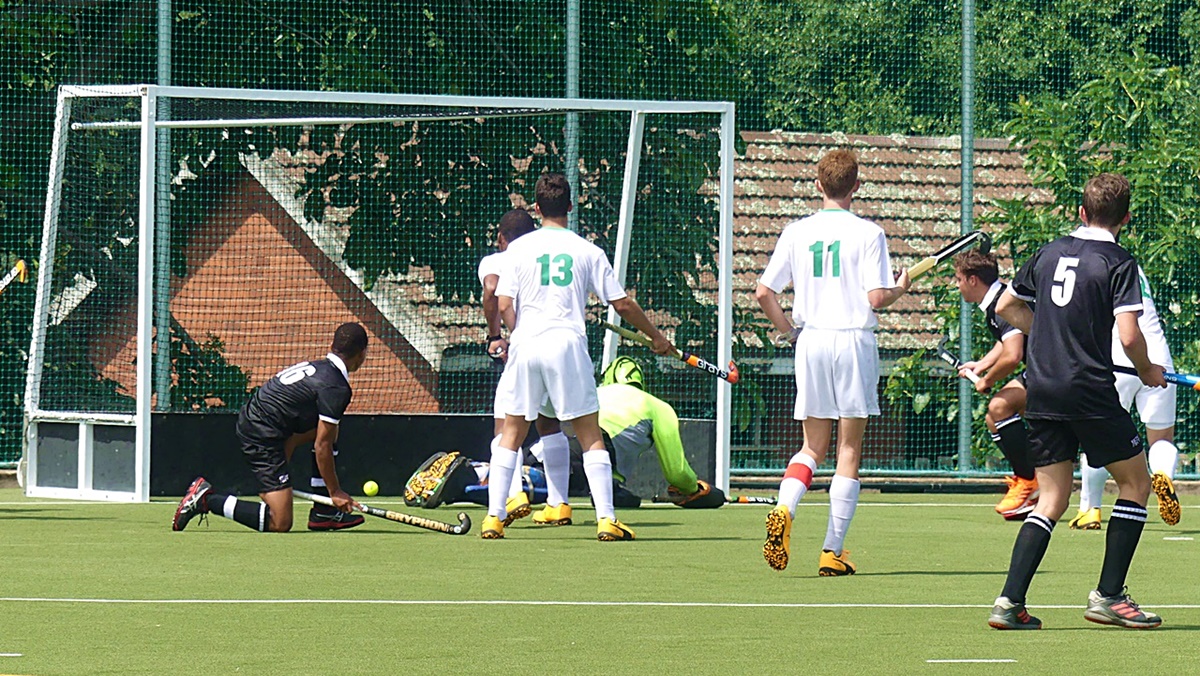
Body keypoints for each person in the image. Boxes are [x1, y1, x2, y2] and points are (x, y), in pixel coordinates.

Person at [987, 172, 1166, 630]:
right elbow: (1129, 335)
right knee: (1135, 484)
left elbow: (1006, 307)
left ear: (1080, 213)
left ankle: (1009, 602)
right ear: (1125, 218)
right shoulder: (1118, 261)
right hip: (1088, 389)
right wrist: (1148, 371)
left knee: (1051, 499)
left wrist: (1045, 330)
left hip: (1043, 388)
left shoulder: (1047, 253)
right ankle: (1109, 596)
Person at [483, 171, 674, 541]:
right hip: (566, 344)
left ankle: (493, 518)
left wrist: (517, 333)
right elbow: (622, 303)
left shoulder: (517, 250)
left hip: (525, 343)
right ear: (571, 206)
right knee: (588, 434)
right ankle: (606, 519)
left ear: (536, 208)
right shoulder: (588, 250)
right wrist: (656, 336)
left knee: (511, 432)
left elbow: (504, 303)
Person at [754, 149, 910, 575]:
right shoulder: (869, 233)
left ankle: (785, 508)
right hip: (853, 342)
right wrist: (900, 288)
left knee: (811, 446)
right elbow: (877, 298)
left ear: (818, 185)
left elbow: (764, 293)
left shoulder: (796, 231)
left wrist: (788, 332)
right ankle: (831, 551)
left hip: (812, 340)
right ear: (856, 187)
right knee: (848, 449)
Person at [171, 322, 370, 533]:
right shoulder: (336, 387)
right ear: (362, 353)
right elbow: (322, 446)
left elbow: (315, 436)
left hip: (268, 425)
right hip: (261, 434)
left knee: (328, 431)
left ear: (333, 345)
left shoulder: (320, 368)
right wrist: (335, 491)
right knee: (280, 522)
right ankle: (207, 499)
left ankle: (324, 514)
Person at [1070, 263, 1180, 529]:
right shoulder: (1134, 267)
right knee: (1161, 437)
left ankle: (1090, 508)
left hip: (1117, 357)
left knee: (1097, 436)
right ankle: (1163, 473)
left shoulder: (1088, 267)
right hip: (1157, 356)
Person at [478, 208, 568, 528]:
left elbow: (492, 290)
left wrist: (497, 336)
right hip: (558, 348)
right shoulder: (550, 257)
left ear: (502, 238)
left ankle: (513, 494)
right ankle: (559, 504)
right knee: (549, 424)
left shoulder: (499, 259)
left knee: (505, 427)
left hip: (523, 351)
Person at [951, 250, 1038, 520]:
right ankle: (1031, 482)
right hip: (1044, 369)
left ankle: (1030, 482)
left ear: (973, 280)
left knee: (999, 406)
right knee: (994, 419)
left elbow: (1014, 354)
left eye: (958, 279)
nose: (957, 285)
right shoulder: (997, 301)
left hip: (1053, 370)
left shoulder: (1001, 303)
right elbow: (1006, 340)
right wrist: (982, 365)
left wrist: (987, 380)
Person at [596, 356, 725, 508]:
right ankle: (608, 486)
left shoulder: (592, 392)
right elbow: (677, 472)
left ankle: (606, 487)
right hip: (605, 453)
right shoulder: (657, 405)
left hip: (569, 449)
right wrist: (693, 489)